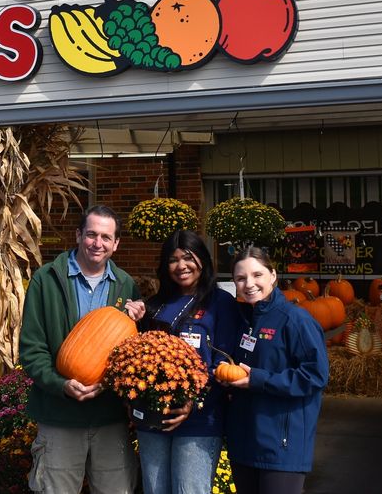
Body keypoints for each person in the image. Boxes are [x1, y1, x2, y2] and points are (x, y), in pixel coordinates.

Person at [19, 204, 143, 494]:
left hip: (109, 416)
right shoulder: (46, 280)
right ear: (78, 235)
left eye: (105, 237)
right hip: (59, 415)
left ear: (116, 244)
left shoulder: (126, 286)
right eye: (91, 234)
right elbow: (32, 348)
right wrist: (61, 384)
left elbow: (133, 356)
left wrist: (140, 322)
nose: (97, 243)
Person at [136, 229, 243, 494]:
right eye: (173, 260)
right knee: (155, 489)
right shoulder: (154, 305)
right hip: (153, 420)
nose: (181, 266)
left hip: (199, 422)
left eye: (188, 257)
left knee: (189, 489)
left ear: (203, 260)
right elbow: (137, 360)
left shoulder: (221, 303)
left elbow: (224, 364)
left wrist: (192, 403)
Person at [223, 246, 329, 494]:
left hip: (282, 445)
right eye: (241, 278)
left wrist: (258, 380)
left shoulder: (295, 320)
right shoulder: (242, 320)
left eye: (257, 275)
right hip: (244, 442)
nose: (249, 284)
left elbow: (315, 376)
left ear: (273, 275)